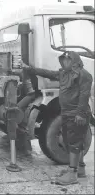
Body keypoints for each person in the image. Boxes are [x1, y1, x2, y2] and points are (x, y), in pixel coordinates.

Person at [22, 51, 93, 186]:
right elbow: (47, 73)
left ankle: (72, 174)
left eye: (67, 60)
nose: (64, 62)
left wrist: (81, 114)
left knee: (75, 143)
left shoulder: (85, 75)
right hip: (66, 113)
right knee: (70, 141)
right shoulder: (63, 74)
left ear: (74, 61)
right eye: (63, 60)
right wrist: (29, 69)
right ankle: (80, 169)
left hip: (77, 114)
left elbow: (84, 96)